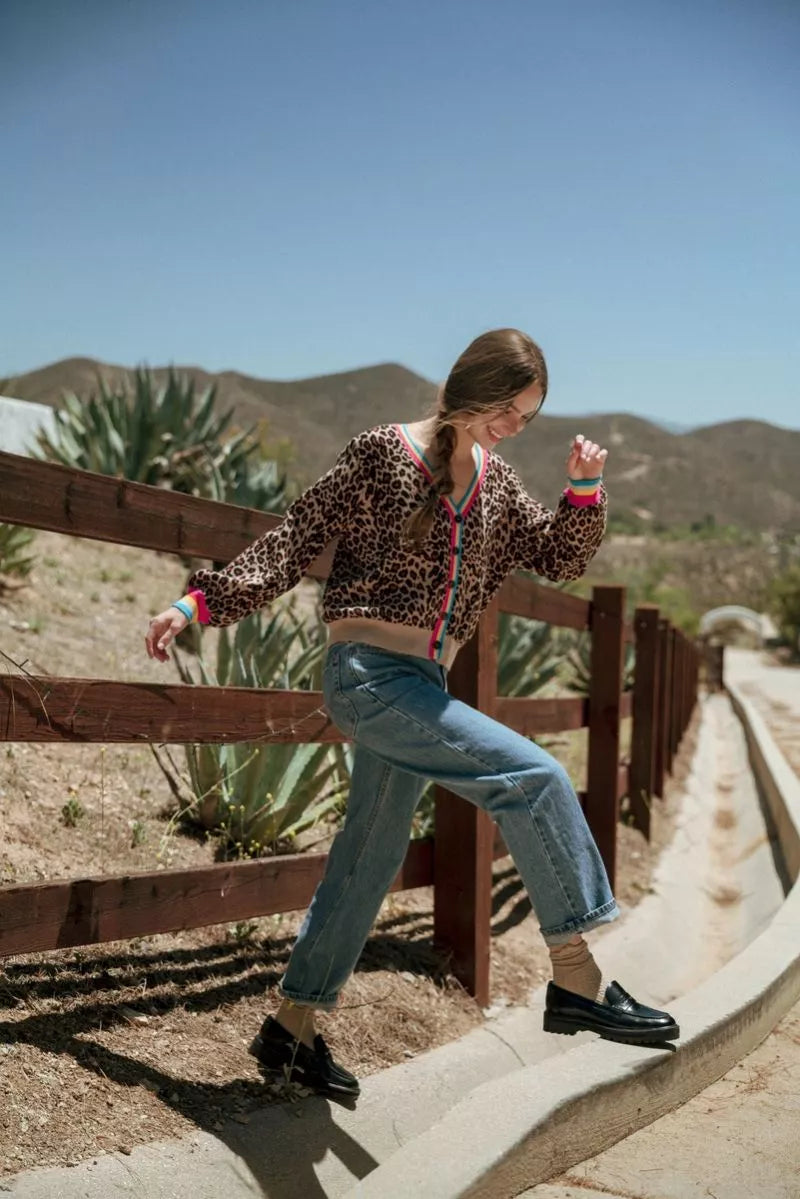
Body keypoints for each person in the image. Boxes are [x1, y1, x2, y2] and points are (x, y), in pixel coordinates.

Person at [145, 328, 679, 1098]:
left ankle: (289, 1030)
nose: (512, 428)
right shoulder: (381, 451)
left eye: (527, 419)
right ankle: (578, 977)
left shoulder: (495, 485)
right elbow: (297, 535)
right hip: (367, 676)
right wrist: (196, 602)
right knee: (533, 776)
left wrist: (585, 489)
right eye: (507, 409)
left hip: (423, 686)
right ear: (473, 385)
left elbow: (559, 555)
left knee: (370, 854)